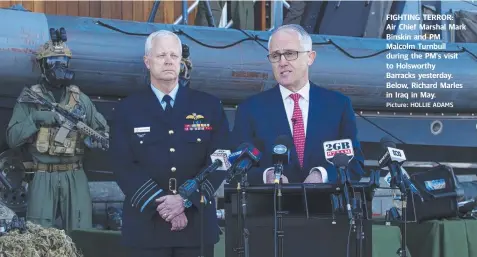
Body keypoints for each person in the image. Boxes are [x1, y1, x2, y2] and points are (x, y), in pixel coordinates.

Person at [110, 30, 230, 257]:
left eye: (174, 56)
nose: (168, 61)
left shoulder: (209, 106)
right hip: (146, 227)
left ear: (181, 61)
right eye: (161, 55)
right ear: (147, 61)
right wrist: (166, 207)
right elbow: (122, 164)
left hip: (196, 226)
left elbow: (220, 159)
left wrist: (185, 200)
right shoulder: (127, 109)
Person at [231, 24, 365, 184]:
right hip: (269, 205)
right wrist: (266, 175)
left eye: (290, 53)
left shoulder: (338, 105)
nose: (282, 62)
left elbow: (355, 164)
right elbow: (235, 166)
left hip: (325, 205)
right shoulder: (250, 109)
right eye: (275, 56)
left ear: (310, 57)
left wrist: (322, 175)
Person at [5, 33, 109, 233]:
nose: (59, 66)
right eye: (53, 61)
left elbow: (102, 131)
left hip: (75, 173)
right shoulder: (30, 98)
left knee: (81, 233)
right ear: (43, 65)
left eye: (64, 61)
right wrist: (36, 118)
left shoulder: (81, 100)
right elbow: (12, 138)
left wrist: (93, 141)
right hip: (43, 174)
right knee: (39, 235)